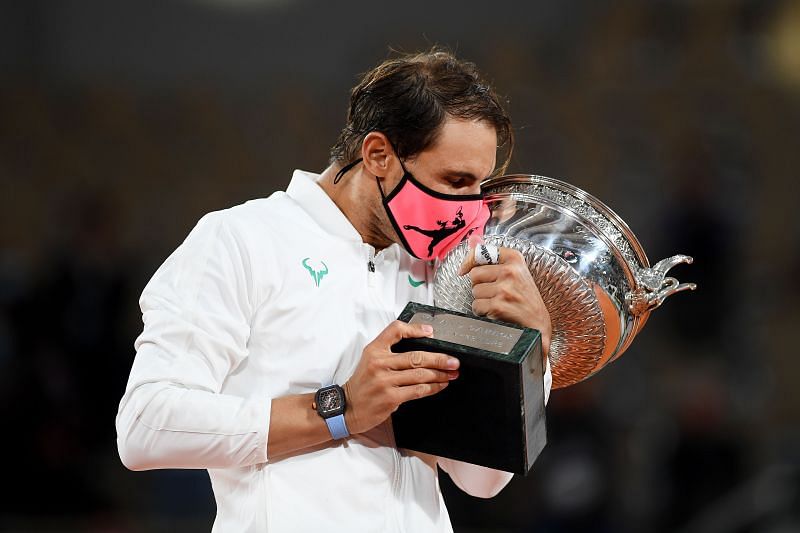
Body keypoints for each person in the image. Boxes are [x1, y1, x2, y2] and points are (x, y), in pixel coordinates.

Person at [116, 49, 553, 532]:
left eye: (479, 187)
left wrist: (532, 350)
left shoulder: (444, 273)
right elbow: (146, 426)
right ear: (378, 155)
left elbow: (483, 478)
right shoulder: (242, 239)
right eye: (455, 181)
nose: (471, 209)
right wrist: (339, 407)